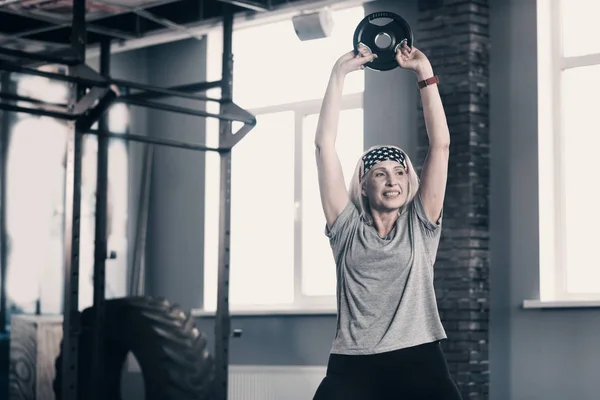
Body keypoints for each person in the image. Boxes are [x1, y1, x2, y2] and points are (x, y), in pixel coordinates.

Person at [312, 42, 462, 400]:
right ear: (363, 184)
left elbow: (440, 145)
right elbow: (323, 146)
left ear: (408, 180)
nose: (392, 180)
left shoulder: (421, 224)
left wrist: (425, 75)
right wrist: (339, 73)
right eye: (380, 173)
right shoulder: (345, 228)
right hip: (354, 362)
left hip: (418, 358)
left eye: (399, 172)